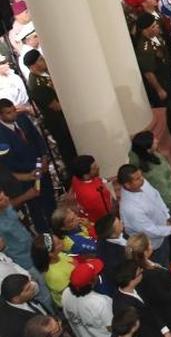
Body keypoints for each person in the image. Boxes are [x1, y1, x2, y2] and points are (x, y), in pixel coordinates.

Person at [0, 100, 55, 232]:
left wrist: (44, 158)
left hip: (40, 167)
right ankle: (45, 236)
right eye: (8, 113)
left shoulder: (23, 119)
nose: (13, 114)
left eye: (14, 110)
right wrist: (34, 167)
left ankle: (58, 228)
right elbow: (9, 162)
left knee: (50, 201)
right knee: (36, 208)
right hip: (24, 176)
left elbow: (37, 138)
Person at [125, 234, 171, 337]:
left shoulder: (137, 267)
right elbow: (163, 295)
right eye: (150, 244)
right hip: (165, 310)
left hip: (156, 306)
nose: (151, 245)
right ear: (145, 252)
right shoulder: (152, 276)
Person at [21, 52, 78, 168]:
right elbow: (56, 106)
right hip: (58, 123)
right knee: (70, 151)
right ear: (33, 66)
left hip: (64, 119)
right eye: (41, 60)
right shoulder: (36, 84)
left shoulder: (44, 75)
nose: (44, 60)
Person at [115, 165, 171, 268]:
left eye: (141, 176)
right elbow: (149, 231)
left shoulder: (141, 183)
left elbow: (156, 196)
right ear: (127, 185)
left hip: (165, 228)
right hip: (154, 246)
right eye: (137, 178)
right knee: (162, 266)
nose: (142, 179)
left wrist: (166, 215)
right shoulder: (130, 208)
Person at [127, 133, 171, 221]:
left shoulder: (140, 155)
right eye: (153, 141)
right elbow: (165, 193)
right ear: (147, 150)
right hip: (167, 206)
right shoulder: (153, 173)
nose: (157, 140)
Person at [110, 263, 167, 337]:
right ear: (131, 280)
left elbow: (151, 308)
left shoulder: (138, 286)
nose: (142, 271)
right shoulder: (121, 306)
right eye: (140, 272)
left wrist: (164, 330)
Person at [61, 258, 113, 337]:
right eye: (95, 274)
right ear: (92, 282)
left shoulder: (65, 293)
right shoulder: (101, 302)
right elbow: (111, 327)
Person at [69, 157, 113, 223]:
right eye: (94, 167)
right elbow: (106, 215)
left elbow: (99, 181)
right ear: (85, 175)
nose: (98, 167)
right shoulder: (92, 196)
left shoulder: (76, 178)